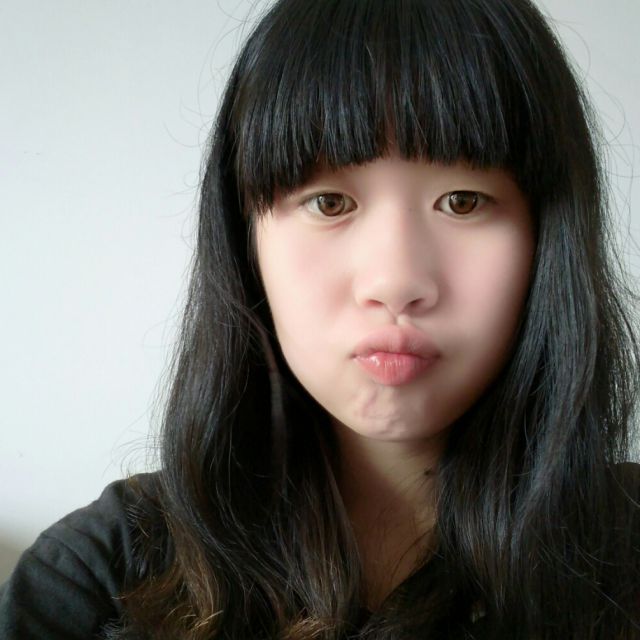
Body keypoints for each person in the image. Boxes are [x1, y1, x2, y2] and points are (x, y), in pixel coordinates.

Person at [1, 0, 638, 637]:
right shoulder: (99, 575)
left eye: (463, 201)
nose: (395, 281)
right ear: (246, 240)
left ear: (547, 236)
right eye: (329, 202)